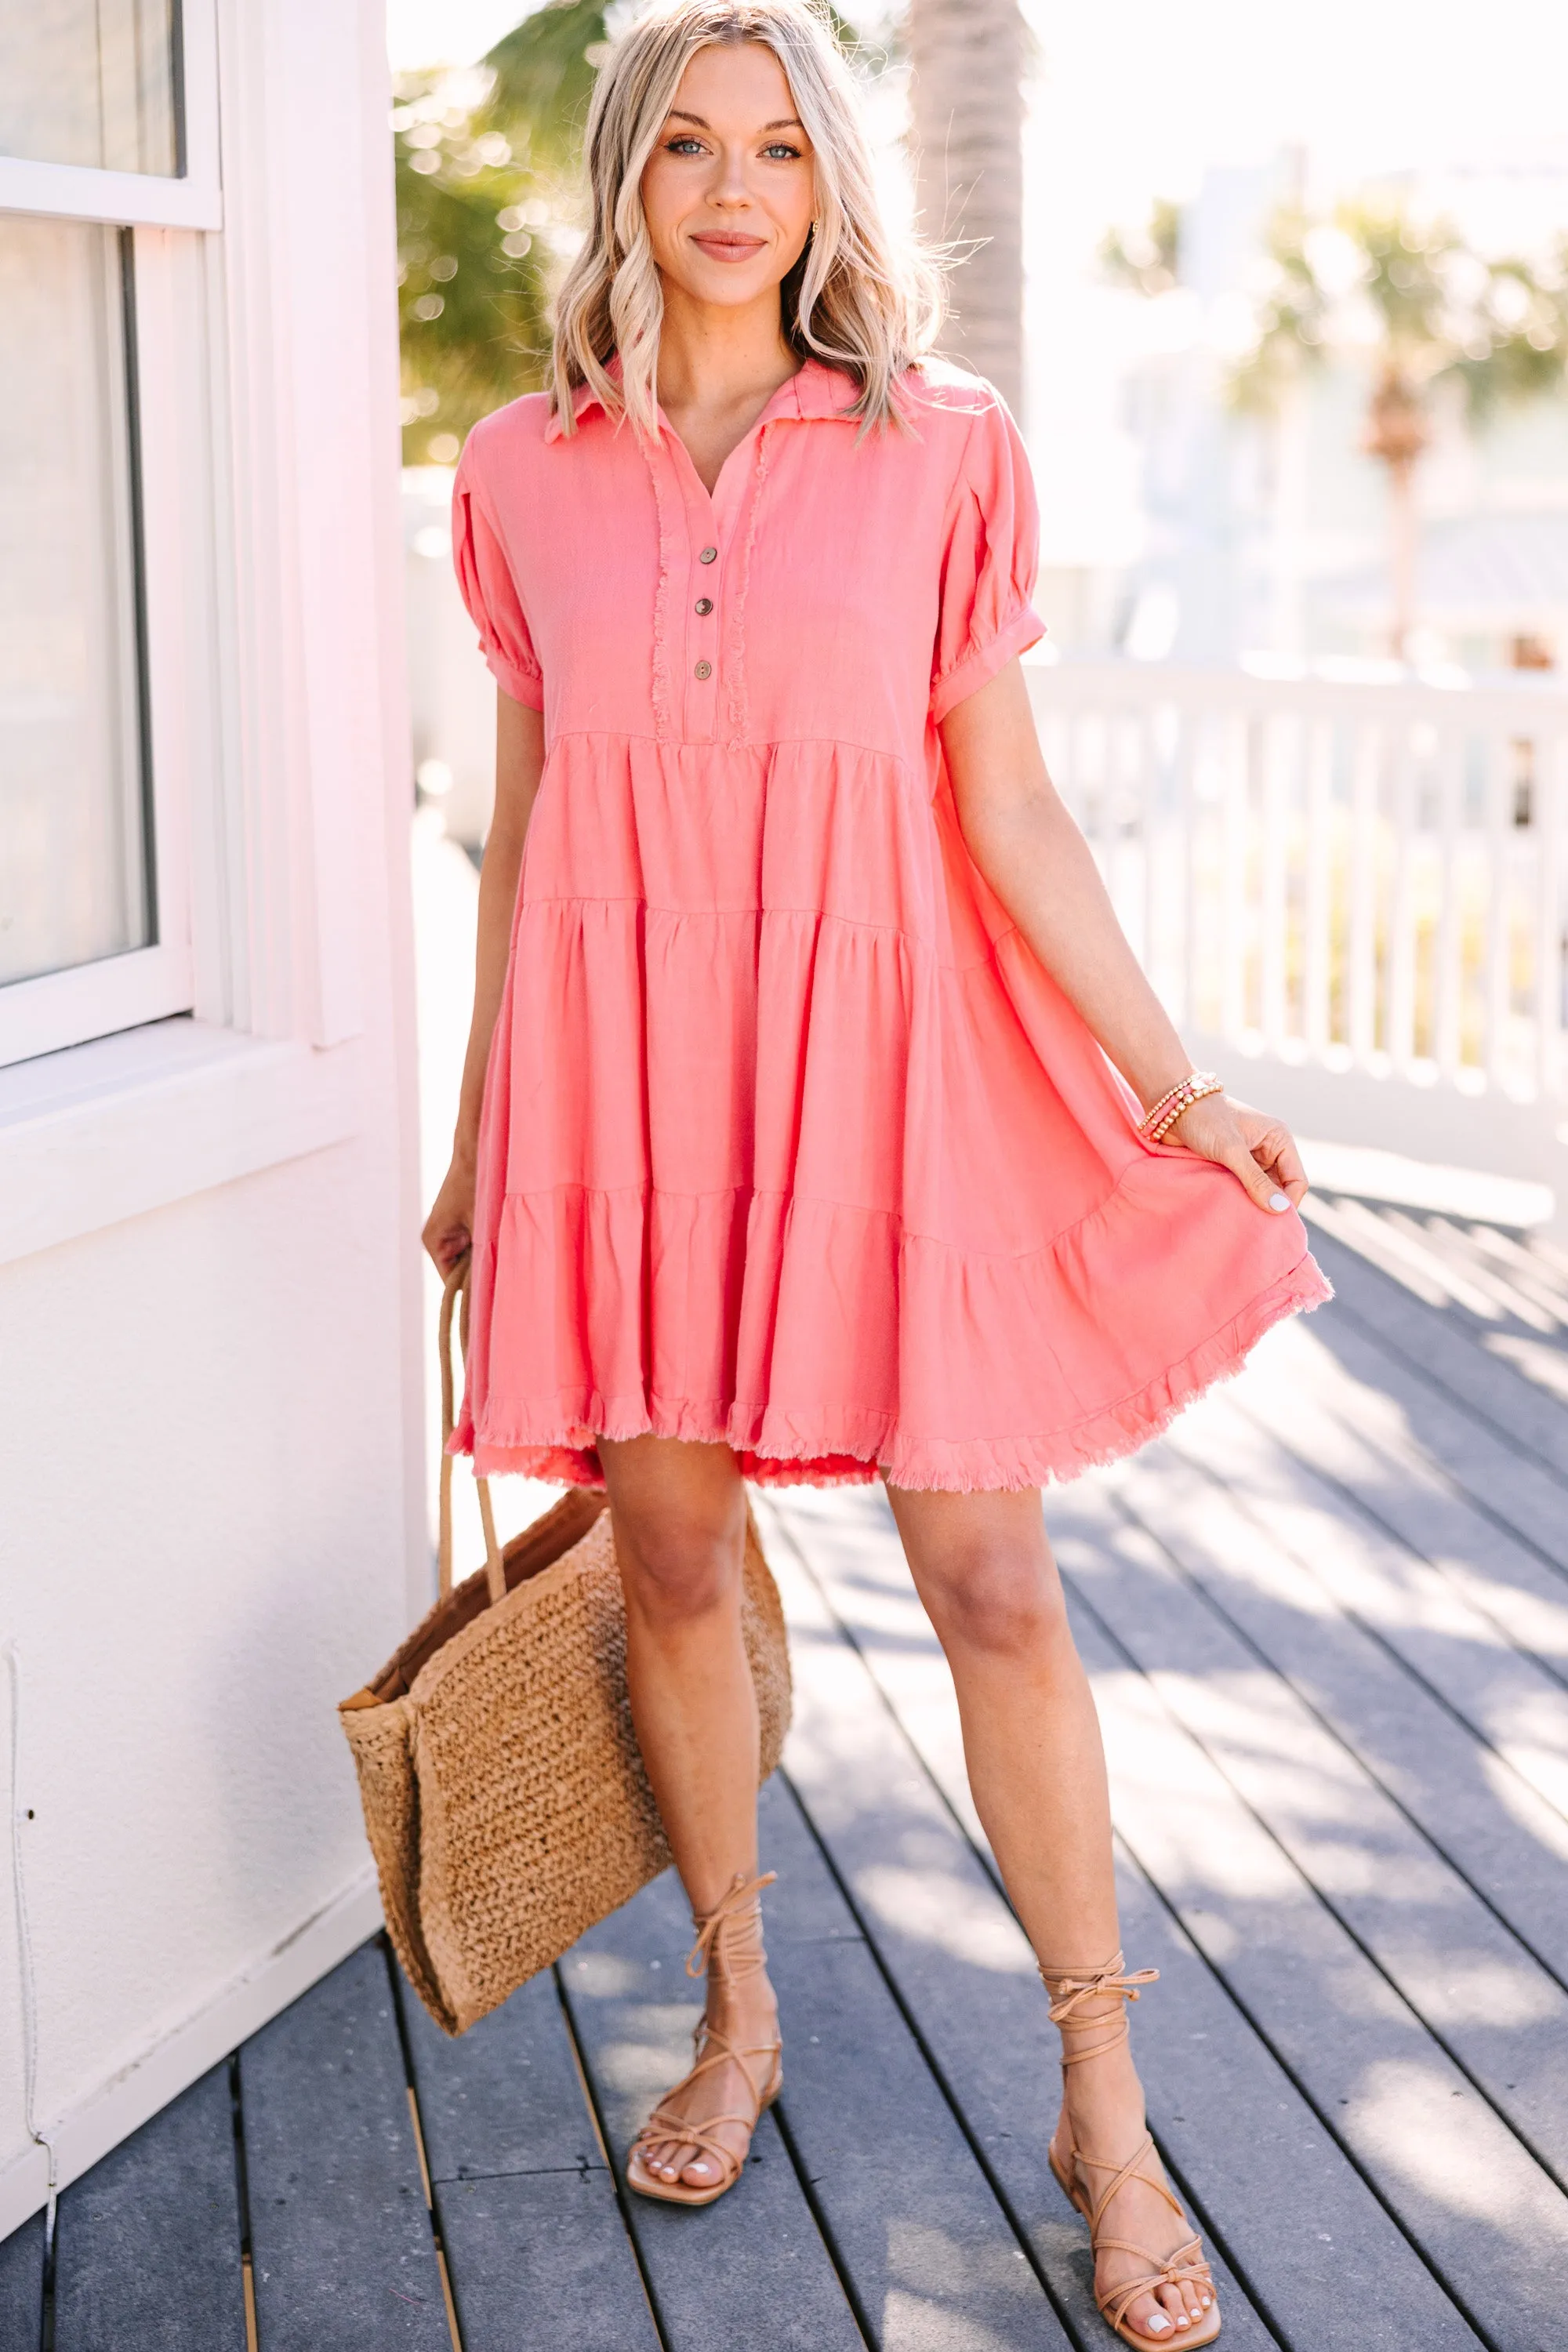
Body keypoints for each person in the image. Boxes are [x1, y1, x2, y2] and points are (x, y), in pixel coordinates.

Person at [423, 3, 1327, 2341]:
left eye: (783, 152)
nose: (737, 191)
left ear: (832, 188)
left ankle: (1099, 2100)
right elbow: (531, 843)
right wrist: (476, 1141)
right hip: (628, 1094)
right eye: (691, 147)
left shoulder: (942, 447)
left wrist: (1176, 1085)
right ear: (625, 176)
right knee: (682, 1564)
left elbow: (1005, 805)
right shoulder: (523, 467)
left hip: (883, 1078)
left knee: (995, 1590)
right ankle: (739, 2013)